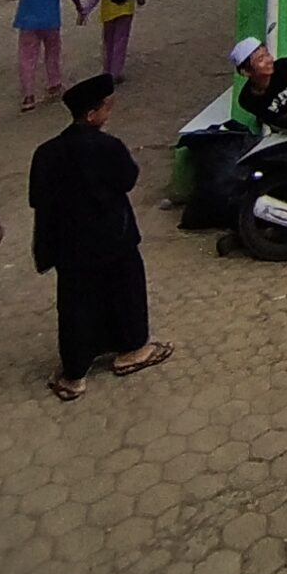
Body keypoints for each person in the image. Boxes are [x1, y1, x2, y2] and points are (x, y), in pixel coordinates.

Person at [30, 73, 171, 399]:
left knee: (76, 303)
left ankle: (75, 373)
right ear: (92, 114)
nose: (109, 112)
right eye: (106, 108)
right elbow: (128, 179)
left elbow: (38, 197)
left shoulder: (46, 153)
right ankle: (131, 350)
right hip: (113, 239)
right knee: (125, 292)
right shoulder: (108, 147)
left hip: (69, 246)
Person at [0, 0, 82, 112]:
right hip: (51, 24)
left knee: (27, 59)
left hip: (28, 26)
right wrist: (80, 8)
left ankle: (28, 96)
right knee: (52, 54)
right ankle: (54, 84)